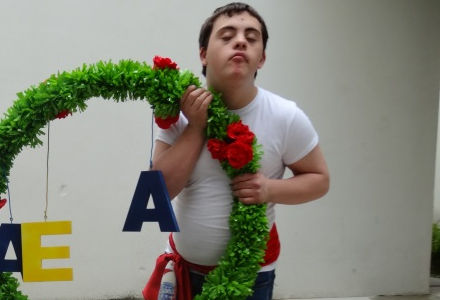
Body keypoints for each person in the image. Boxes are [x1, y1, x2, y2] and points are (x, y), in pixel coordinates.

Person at [142, 2, 331, 300]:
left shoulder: (285, 116)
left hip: (251, 278)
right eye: (227, 35)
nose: (240, 41)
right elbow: (156, 195)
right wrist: (195, 127)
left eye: (251, 37)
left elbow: (319, 180)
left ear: (262, 58)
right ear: (203, 54)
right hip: (182, 272)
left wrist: (269, 189)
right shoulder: (177, 112)